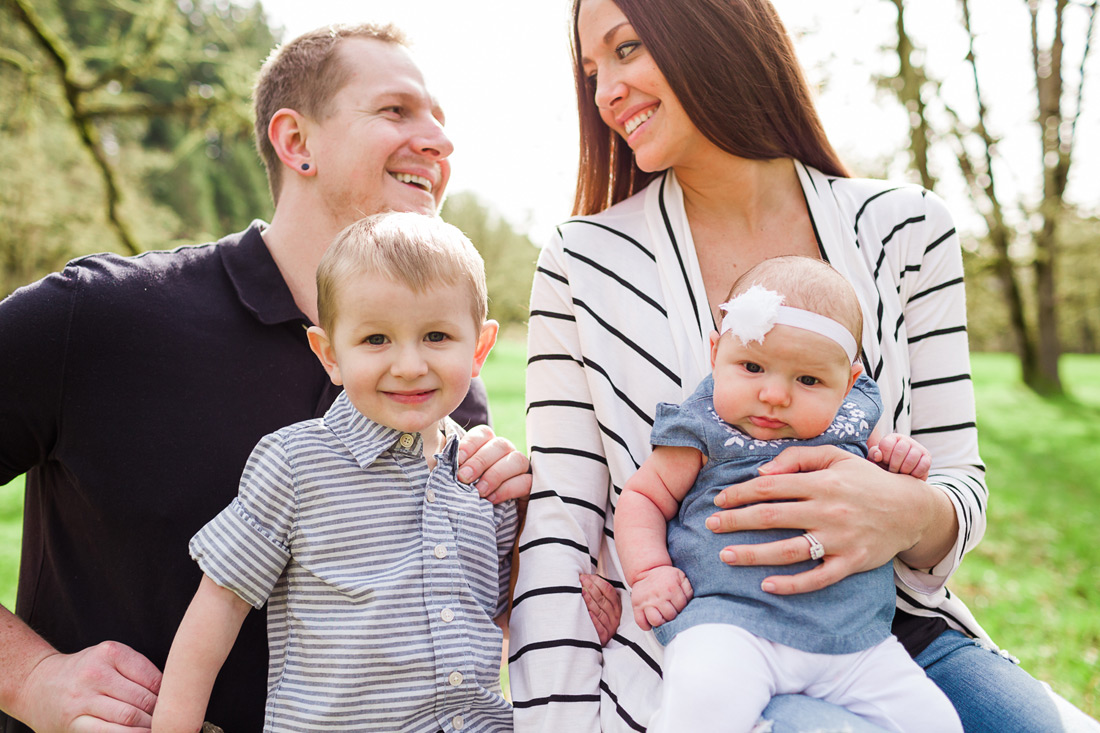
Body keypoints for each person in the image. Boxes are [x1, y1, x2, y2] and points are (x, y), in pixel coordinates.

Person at [509, 0, 1099, 731]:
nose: (603, 93)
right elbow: (563, 525)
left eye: (626, 48)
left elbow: (959, 481)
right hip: (705, 641)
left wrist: (903, 508)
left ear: (715, 28)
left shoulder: (908, 228)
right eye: (591, 70)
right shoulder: (581, 261)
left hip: (886, 633)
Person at [0, 24, 531, 733]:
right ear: (295, 141)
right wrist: (31, 676)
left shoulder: (444, 387)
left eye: (440, 118)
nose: (440, 140)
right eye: (397, 111)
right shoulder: (101, 316)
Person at [153, 212, 517, 733]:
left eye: (436, 335)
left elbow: (501, 620)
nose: (410, 364)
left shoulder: (487, 478)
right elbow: (218, 609)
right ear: (330, 355)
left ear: (479, 348)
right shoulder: (296, 465)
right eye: (376, 340)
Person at [617, 256, 959, 733]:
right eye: (753, 366)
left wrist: (901, 459)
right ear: (715, 354)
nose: (775, 394)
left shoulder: (855, 424)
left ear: (849, 385)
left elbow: (887, 491)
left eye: (808, 380)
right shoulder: (703, 426)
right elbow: (644, 498)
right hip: (730, 625)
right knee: (701, 703)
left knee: (935, 723)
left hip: (853, 639)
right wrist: (650, 571)